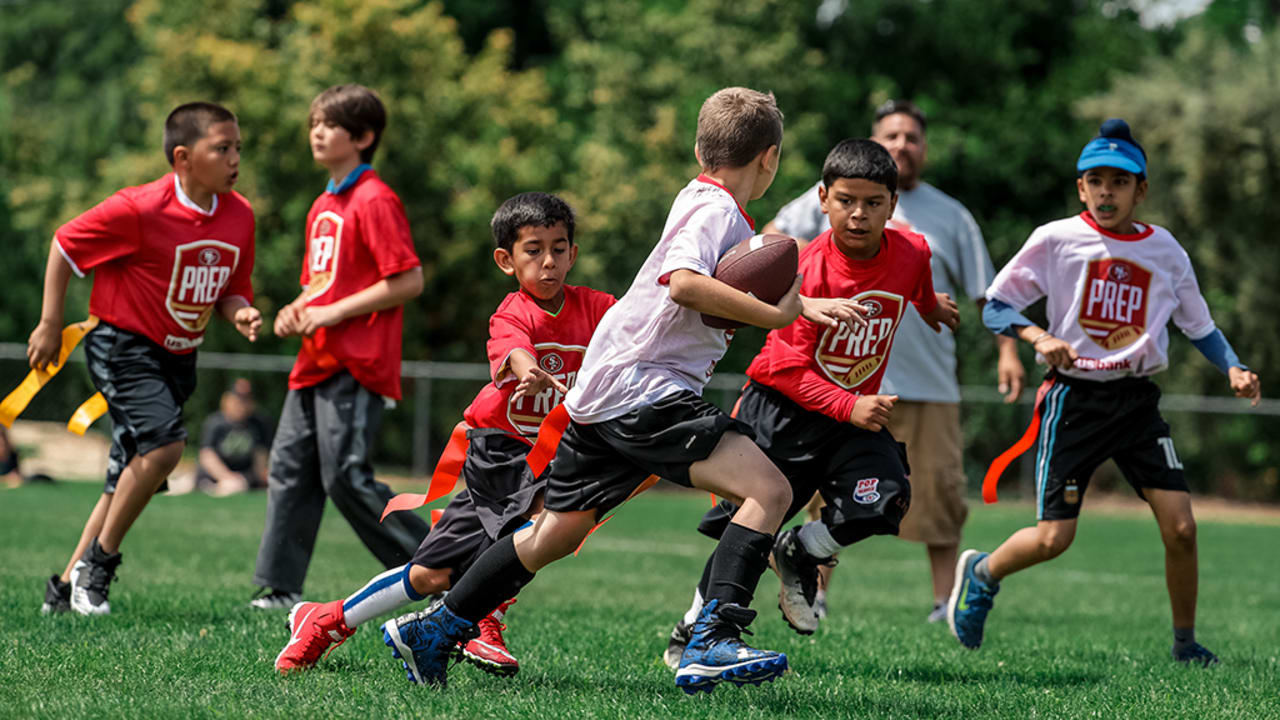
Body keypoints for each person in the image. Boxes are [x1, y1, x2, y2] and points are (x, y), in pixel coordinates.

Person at [375, 87, 852, 694]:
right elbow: (682, 284)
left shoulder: (699, 197)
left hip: (605, 388)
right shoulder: (717, 213)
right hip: (644, 387)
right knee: (770, 489)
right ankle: (711, 639)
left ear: (702, 147)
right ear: (770, 158)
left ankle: (434, 630)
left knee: (554, 533)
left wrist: (804, 304)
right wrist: (780, 316)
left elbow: (709, 286)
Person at [949, 119, 1262, 667]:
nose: (1106, 192)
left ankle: (1186, 645)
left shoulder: (1165, 251)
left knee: (1183, 528)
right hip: (1074, 401)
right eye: (1096, 180)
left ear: (1141, 190)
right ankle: (982, 572)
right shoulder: (1056, 239)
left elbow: (1199, 326)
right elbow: (997, 304)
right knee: (1053, 540)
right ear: (1081, 188)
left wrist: (1233, 367)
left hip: (1137, 402)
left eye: (1120, 182)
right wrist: (1038, 335)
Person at [273, 191, 615, 678]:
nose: (548, 262)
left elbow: (636, 327)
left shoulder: (599, 308)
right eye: (533, 250)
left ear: (573, 254)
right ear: (506, 260)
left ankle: (336, 618)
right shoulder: (511, 312)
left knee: (434, 572)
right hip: (500, 452)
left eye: (559, 249)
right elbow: (512, 349)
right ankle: (467, 621)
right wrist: (528, 367)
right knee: (533, 527)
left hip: (547, 455)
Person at [664, 138, 960, 665]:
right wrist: (851, 408)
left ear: (893, 204)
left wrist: (933, 308)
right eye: (846, 200)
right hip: (782, 410)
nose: (859, 214)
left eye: (873, 203)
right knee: (754, 528)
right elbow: (786, 367)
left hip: (846, 415)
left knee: (887, 497)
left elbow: (915, 286)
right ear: (823, 199)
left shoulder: (914, 250)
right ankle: (690, 632)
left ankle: (802, 550)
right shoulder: (806, 269)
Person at [764, 99, 1025, 621]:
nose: (901, 144)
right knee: (825, 492)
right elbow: (771, 242)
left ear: (922, 151)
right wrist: (799, 291)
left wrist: (1007, 348)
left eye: (911, 137)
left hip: (927, 383)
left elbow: (984, 293)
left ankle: (942, 604)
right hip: (840, 383)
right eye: (891, 135)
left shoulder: (949, 216)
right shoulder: (835, 196)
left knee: (939, 494)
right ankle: (814, 594)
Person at [29, 101, 260, 616]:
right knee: (165, 447)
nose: (233, 158)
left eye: (237, 148)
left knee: (127, 476)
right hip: (122, 345)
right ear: (183, 157)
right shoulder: (138, 208)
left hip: (179, 358)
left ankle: (65, 590)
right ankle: (99, 566)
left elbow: (231, 289)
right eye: (221, 148)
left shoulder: (239, 215)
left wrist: (241, 312)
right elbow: (65, 245)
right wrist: (48, 323)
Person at [249, 84, 430, 610]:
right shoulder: (323, 204)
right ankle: (281, 589)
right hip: (315, 360)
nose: (317, 133)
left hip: (356, 361)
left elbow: (409, 280)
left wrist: (331, 312)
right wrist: (297, 307)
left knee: (346, 476)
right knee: (289, 469)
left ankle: (445, 567)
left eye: (329, 124)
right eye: (313, 124)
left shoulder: (374, 198)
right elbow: (322, 284)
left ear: (364, 136)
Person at [181, 378, 271, 495]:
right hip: (215, 474)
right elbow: (207, 456)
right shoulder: (215, 422)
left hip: (244, 476)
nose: (241, 404)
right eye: (238, 399)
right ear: (227, 400)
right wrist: (227, 478)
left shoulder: (260, 424)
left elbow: (261, 457)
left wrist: (257, 479)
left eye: (246, 400)